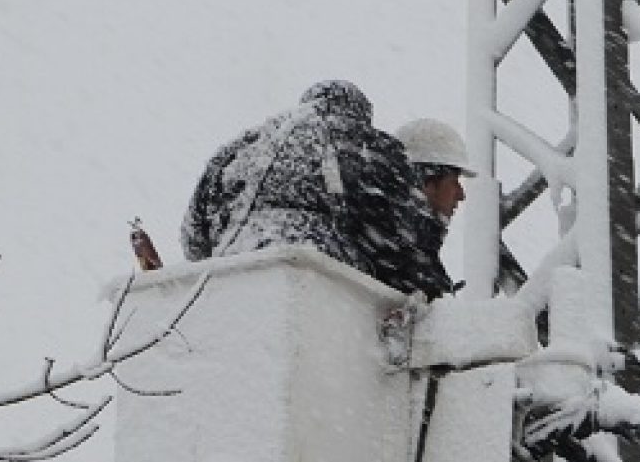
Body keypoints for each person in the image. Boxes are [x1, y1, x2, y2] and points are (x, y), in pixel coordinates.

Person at [180, 79, 453, 298]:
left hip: (233, 279)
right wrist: (433, 290)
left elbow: (193, 240)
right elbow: (402, 242)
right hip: (321, 287)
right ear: (362, 117)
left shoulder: (238, 149)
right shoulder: (366, 144)